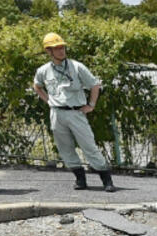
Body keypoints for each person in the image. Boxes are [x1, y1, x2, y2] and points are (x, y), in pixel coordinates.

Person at [33, 33, 117, 192]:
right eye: (56, 48)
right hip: (57, 114)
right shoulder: (43, 70)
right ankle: (80, 179)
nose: (61, 51)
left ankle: (107, 180)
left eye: (62, 47)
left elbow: (94, 85)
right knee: (65, 148)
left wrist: (91, 105)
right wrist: (48, 101)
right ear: (48, 51)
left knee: (89, 146)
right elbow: (37, 86)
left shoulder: (77, 67)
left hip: (76, 112)